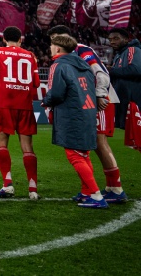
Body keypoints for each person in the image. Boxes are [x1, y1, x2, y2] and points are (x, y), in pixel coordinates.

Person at [49, 25, 127, 203]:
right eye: (52, 39)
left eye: (56, 38)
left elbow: (101, 73)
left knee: (99, 142)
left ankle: (115, 188)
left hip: (99, 101)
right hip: (87, 102)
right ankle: (90, 190)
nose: (54, 43)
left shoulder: (81, 50)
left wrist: (100, 95)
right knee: (85, 146)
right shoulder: (66, 56)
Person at [42, 33, 107, 208]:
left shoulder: (59, 65)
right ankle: (86, 192)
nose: (50, 48)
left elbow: (56, 93)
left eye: (51, 46)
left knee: (74, 155)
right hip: (87, 112)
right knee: (84, 155)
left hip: (72, 113)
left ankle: (96, 196)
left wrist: (46, 101)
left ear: (57, 48)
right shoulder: (84, 64)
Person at [0, 26, 41, 200]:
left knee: (2, 144)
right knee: (27, 147)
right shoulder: (30, 55)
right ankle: (33, 189)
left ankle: (7, 185)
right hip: (25, 105)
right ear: (20, 40)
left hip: (4, 104)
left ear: (4, 39)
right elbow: (37, 83)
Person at [108, 28, 141, 154]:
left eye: (116, 38)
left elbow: (136, 70)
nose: (112, 42)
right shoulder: (119, 55)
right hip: (124, 102)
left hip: (134, 102)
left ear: (126, 39)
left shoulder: (133, 50)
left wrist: (111, 70)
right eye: (110, 39)